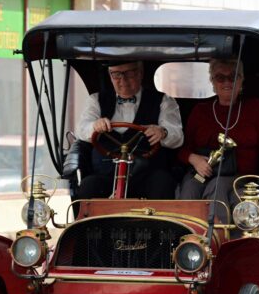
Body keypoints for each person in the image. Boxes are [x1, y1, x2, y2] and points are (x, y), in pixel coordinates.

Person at [178, 58, 259, 206]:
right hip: (203, 172)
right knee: (190, 187)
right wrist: (194, 159)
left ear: (241, 81)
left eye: (233, 77)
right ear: (213, 82)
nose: (227, 82)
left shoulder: (254, 108)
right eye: (220, 78)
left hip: (241, 176)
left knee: (217, 187)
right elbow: (182, 148)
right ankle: (186, 229)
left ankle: (217, 230)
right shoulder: (200, 111)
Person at [75, 61, 184, 199]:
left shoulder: (163, 101)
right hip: (106, 173)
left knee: (163, 183)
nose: (123, 80)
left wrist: (163, 132)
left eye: (129, 73)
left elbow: (178, 136)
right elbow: (81, 130)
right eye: (117, 75)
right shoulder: (96, 100)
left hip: (146, 173)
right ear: (110, 75)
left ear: (140, 73)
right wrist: (95, 126)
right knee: (88, 186)